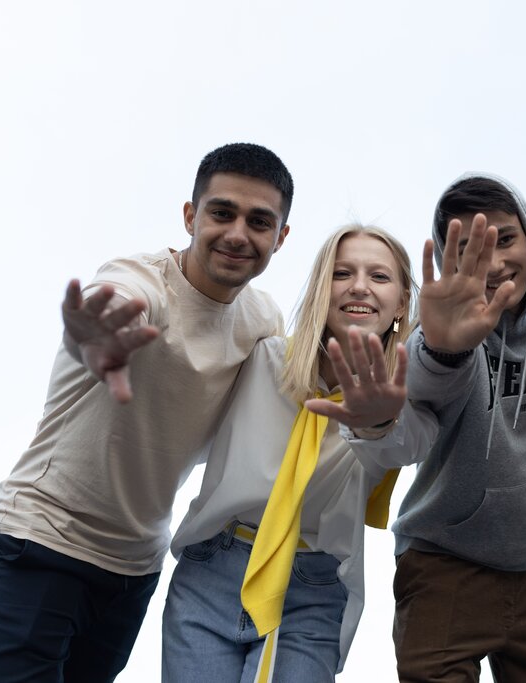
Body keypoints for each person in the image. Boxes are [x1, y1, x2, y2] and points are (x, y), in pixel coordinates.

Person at [0, 143, 293, 682]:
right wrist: (99, 337)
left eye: (259, 222)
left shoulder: (261, 319)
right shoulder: (141, 280)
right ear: (190, 216)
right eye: (221, 212)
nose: (238, 233)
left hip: (133, 571)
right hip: (37, 545)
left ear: (281, 238)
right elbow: (118, 297)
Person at [162, 224, 435, 682]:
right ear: (321, 289)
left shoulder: (406, 398)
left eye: (380, 277)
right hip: (213, 568)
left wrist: (376, 420)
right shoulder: (261, 359)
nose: (360, 286)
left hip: (311, 586)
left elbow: (404, 445)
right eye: (341, 273)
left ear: (403, 303)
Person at [380, 173, 526, 682]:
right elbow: (425, 391)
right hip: (444, 564)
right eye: (471, 249)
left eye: (507, 240)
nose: (494, 264)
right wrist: (447, 349)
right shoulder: (437, 330)